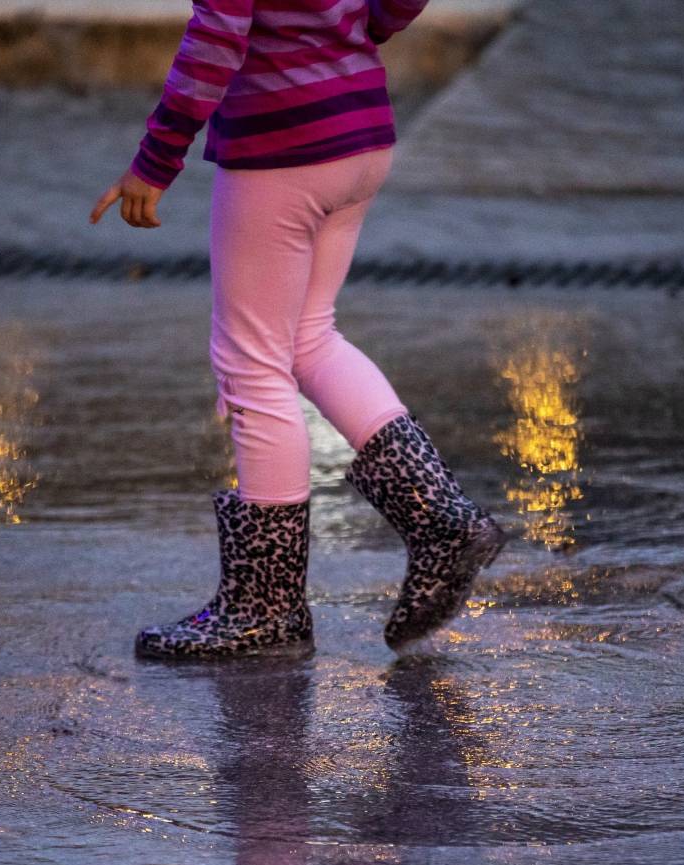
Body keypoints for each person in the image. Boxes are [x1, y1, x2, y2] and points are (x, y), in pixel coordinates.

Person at [91, 0, 507, 660]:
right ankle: (441, 520)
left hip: (283, 143)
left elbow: (217, 37)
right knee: (309, 336)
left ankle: (265, 608)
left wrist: (155, 160)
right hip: (361, 128)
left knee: (251, 363)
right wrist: (364, 30)